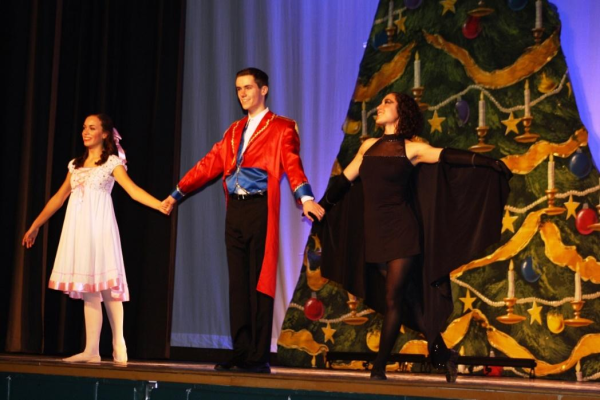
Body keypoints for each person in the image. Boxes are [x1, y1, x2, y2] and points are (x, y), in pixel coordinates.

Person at [317, 92, 511, 382]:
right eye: (381, 103)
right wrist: (321, 208)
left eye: (387, 102)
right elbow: (344, 181)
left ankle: (379, 368)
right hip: (375, 234)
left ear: (402, 111)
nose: (379, 107)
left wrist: (487, 162)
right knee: (407, 300)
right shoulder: (367, 147)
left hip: (402, 232)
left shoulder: (413, 149)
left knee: (393, 299)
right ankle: (443, 354)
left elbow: (448, 156)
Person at [162, 67, 324, 374]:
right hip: (235, 211)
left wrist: (305, 198)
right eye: (238, 89)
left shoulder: (282, 127)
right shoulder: (234, 130)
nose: (242, 94)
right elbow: (209, 164)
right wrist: (177, 193)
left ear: (263, 90)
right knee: (238, 284)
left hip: (259, 208)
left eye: (248, 87)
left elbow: (292, 163)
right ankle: (240, 351)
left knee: (258, 282)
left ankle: (258, 356)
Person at [22, 114, 169, 364]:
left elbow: (132, 190)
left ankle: (119, 343)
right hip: (78, 230)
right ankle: (91, 349)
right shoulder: (75, 166)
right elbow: (58, 198)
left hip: (100, 227)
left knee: (107, 285)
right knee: (88, 288)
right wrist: (36, 225)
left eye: (92, 128)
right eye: (84, 128)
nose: (85, 132)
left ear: (105, 134)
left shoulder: (111, 162)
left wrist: (159, 204)